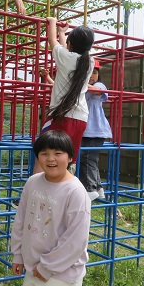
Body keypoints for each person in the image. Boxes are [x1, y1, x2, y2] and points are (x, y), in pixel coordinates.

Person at [11, 130, 91, 286]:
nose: (51, 159)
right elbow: (21, 220)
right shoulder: (33, 182)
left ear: (70, 157)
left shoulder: (75, 193)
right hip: (33, 266)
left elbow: (75, 242)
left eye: (58, 153)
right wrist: (18, 254)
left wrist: (47, 267)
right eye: (44, 153)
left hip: (59, 272)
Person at [33, 17, 95, 175]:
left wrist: (53, 22)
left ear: (70, 44)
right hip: (81, 118)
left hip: (62, 116)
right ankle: (64, 188)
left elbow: (52, 41)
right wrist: (62, 33)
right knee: (66, 158)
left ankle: (34, 189)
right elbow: (65, 49)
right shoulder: (89, 62)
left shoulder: (66, 57)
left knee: (44, 154)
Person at [78, 59, 112, 200]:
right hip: (86, 129)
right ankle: (98, 188)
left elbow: (97, 91)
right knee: (90, 159)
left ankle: (90, 189)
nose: (92, 75)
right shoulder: (82, 89)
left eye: (95, 72)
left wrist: (80, 81)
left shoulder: (99, 85)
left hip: (96, 130)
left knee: (87, 159)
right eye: (89, 72)